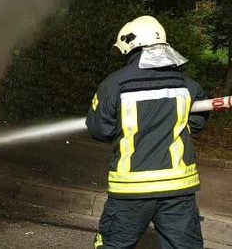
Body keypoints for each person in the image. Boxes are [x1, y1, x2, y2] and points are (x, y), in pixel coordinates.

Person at [86, 15, 211, 249]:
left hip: (131, 191)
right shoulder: (187, 85)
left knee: (114, 244)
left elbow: (100, 130)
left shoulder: (115, 84)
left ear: (131, 47)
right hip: (178, 190)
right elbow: (198, 120)